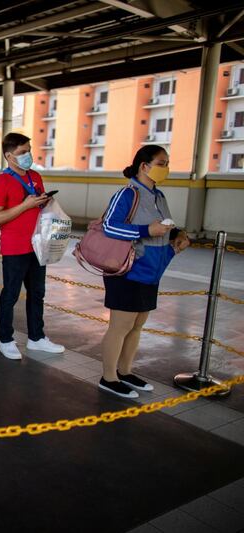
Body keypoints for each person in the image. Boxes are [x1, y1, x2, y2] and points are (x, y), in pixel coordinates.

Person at [99, 145, 189, 398]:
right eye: (162, 163)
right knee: (121, 325)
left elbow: (165, 226)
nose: (166, 168)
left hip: (152, 269)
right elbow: (109, 227)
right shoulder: (127, 194)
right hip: (127, 269)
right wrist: (145, 231)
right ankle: (109, 377)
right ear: (144, 166)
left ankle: (125, 371)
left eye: (167, 163)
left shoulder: (159, 196)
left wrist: (178, 235)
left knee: (138, 324)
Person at [0, 133, 64, 360]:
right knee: (10, 294)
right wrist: (25, 205)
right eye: (22, 152)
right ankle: (6, 340)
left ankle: (36, 338)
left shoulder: (35, 176)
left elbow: (34, 206)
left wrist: (41, 202)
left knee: (37, 293)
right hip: (15, 247)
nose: (27, 155)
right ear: (9, 156)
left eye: (29, 150)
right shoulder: (2, 182)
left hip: (37, 244)